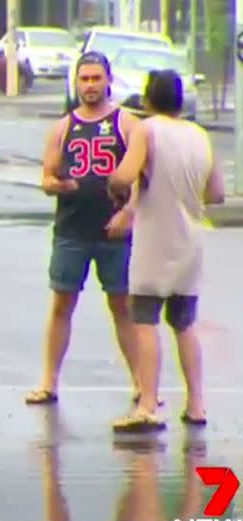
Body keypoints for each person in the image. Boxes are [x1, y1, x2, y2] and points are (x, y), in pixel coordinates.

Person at [108, 69, 225, 432]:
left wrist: (118, 190)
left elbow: (123, 176)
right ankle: (197, 403)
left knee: (144, 321)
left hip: (154, 242)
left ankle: (147, 404)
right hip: (190, 242)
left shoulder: (147, 131)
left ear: (147, 99)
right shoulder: (200, 136)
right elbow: (217, 193)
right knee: (184, 324)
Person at [24, 51, 142, 407]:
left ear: (108, 80)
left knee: (122, 306)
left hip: (113, 231)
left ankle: (141, 384)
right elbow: (47, 176)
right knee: (62, 302)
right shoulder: (63, 127)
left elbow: (142, 177)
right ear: (75, 82)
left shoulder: (127, 124)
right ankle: (49, 381)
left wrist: (130, 213)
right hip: (71, 229)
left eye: (96, 79)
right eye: (84, 79)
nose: (90, 86)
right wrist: (57, 185)